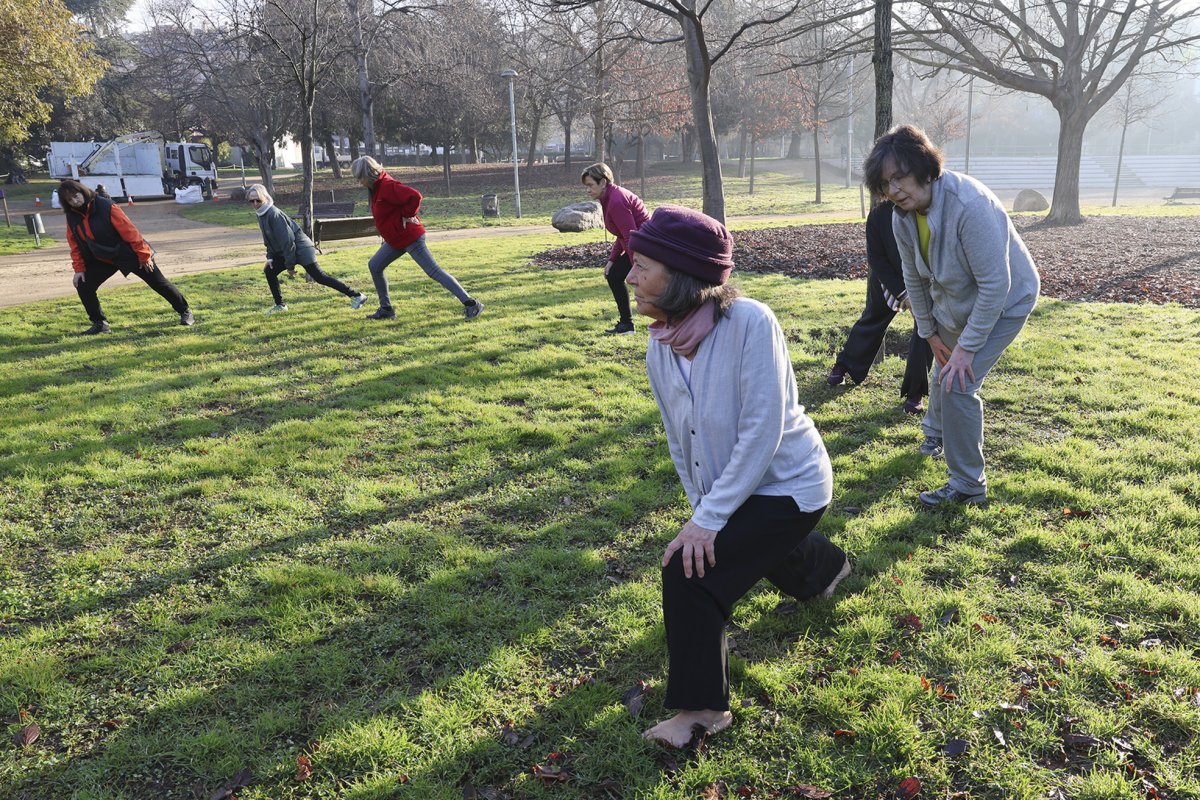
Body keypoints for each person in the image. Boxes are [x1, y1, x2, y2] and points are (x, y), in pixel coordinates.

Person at [626, 205, 851, 749]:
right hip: (740, 490)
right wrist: (704, 508)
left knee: (689, 571)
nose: (629, 277)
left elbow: (762, 430)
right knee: (742, 544)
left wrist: (709, 521)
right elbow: (683, 440)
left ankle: (703, 710)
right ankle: (827, 570)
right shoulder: (662, 343)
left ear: (681, 276)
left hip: (792, 485)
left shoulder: (750, 321)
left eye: (642, 266)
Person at [864, 125, 1040, 507]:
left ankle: (967, 486)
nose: (893, 190)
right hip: (957, 298)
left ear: (924, 167)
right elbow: (913, 277)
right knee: (943, 361)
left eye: (899, 177)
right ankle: (936, 433)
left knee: (959, 380)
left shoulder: (969, 206)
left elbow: (996, 286)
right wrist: (930, 334)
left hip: (1007, 301)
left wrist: (968, 348)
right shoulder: (902, 216)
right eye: (885, 183)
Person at [827, 200, 933, 415]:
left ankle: (915, 391)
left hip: (925, 279)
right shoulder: (878, 215)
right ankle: (845, 364)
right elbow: (877, 259)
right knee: (873, 318)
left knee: (925, 329)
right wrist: (902, 293)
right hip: (887, 278)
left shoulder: (927, 210)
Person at [349, 156, 483, 321]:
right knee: (375, 265)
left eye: (359, 178)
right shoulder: (376, 188)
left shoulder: (387, 186)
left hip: (411, 237)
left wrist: (407, 215)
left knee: (433, 271)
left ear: (368, 174)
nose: (359, 182)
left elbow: (415, 196)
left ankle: (471, 304)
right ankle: (386, 309)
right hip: (396, 240)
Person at [59, 179, 194, 335]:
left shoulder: (106, 206)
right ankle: (100, 324)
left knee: (159, 283)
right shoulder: (72, 216)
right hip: (103, 258)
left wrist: (144, 256)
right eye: (70, 200)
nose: (75, 201)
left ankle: (185, 311)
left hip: (130, 253)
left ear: (83, 192)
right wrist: (79, 269)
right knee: (83, 284)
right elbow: (74, 244)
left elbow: (130, 231)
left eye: (76, 196)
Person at [245, 184, 369, 314]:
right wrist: (270, 257)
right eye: (251, 201)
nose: (255, 203)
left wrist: (290, 266)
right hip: (287, 250)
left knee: (320, 277)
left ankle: (356, 296)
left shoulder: (273, 214)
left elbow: (288, 241)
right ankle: (280, 306)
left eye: (258, 200)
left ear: (265, 197)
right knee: (269, 271)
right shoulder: (261, 214)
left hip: (301, 249)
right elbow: (269, 238)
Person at [582, 162, 649, 335]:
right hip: (638, 244)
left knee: (649, 285)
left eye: (590, 185)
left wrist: (637, 264)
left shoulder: (616, 201)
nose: (587, 190)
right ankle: (627, 325)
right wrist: (612, 260)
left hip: (646, 245)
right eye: (586, 186)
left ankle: (665, 322)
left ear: (603, 182)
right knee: (613, 274)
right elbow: (621, 235)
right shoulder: (608, 198)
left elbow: (630, 235)